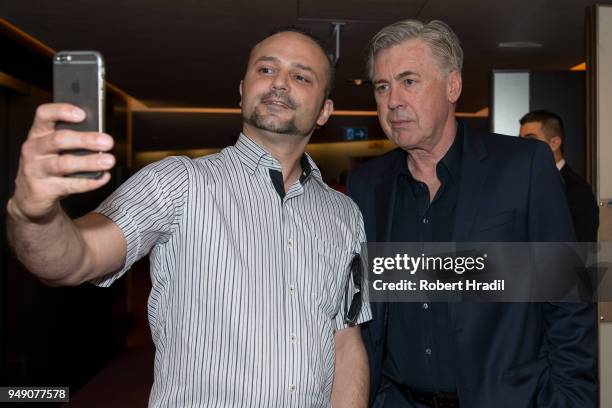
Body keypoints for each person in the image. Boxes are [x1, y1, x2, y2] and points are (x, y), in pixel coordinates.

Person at [6, 27, 371, 407]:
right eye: (265, 70)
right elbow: (75, 258)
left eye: (300, 76)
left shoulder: (344, 215)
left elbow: (346, 344)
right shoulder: (179, 182)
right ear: (242, 89)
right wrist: (34, 216)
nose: (279, 82)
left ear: (325, 110)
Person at [347, 19, 597, 408]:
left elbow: (569, 298)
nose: (392, 100)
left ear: (453, 86)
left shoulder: (523, 166)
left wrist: (570, 399)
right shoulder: (367, 186)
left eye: (409, 81)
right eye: (382, 86)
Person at [519, 110, 599, 242]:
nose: (522, 146)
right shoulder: (520, 183)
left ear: (554, 143)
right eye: (520, 140)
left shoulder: (578, 190)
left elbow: (582, 247)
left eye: (530, 140)